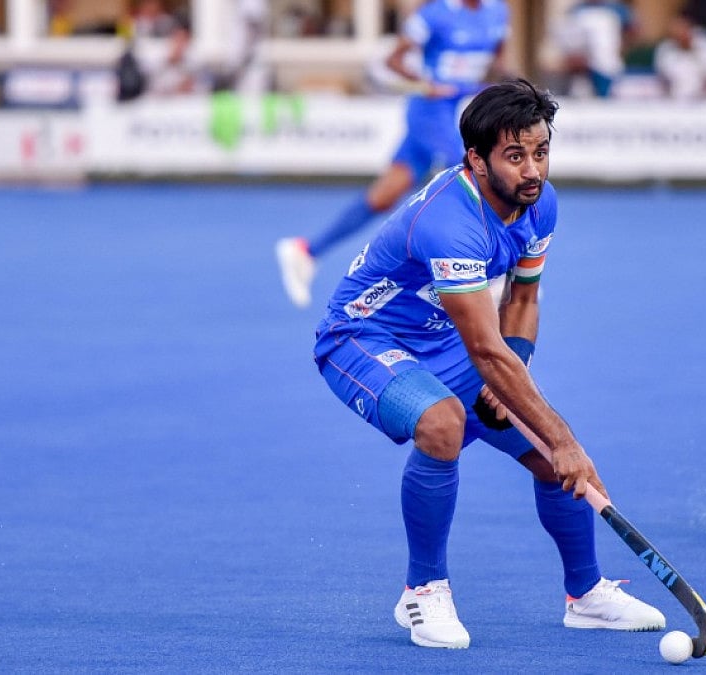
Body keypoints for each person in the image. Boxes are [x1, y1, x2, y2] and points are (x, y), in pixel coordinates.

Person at [311, 78, 666, 649]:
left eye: (541, 152)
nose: (533, 170)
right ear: (476, 160)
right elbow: (483, 348)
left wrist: (520, 381)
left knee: (550, 457)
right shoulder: (449, 221)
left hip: (445, 338)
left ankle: (587, 595)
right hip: (361, 336)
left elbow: (521, 301)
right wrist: (566, 436)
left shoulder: (538, 204)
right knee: (443, 423)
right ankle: (422, 592)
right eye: (515, 156)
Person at [275, 0, 511, 308]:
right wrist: (426, 84)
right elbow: (393, 60)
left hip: (454, 110)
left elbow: (497, 59)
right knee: (476, 177)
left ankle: (305, 251)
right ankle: (495, 275)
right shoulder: (434, 14)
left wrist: (504, 87)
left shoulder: (498, 12)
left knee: (384, 196)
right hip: (428, 112)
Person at [653, 12, 706, 101]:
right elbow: (664, 80)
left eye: (682, 30)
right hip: (675, 100)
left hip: (704, 100)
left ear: (689, 29)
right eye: (675, 34)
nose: (679, 35)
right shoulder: (665, 49)